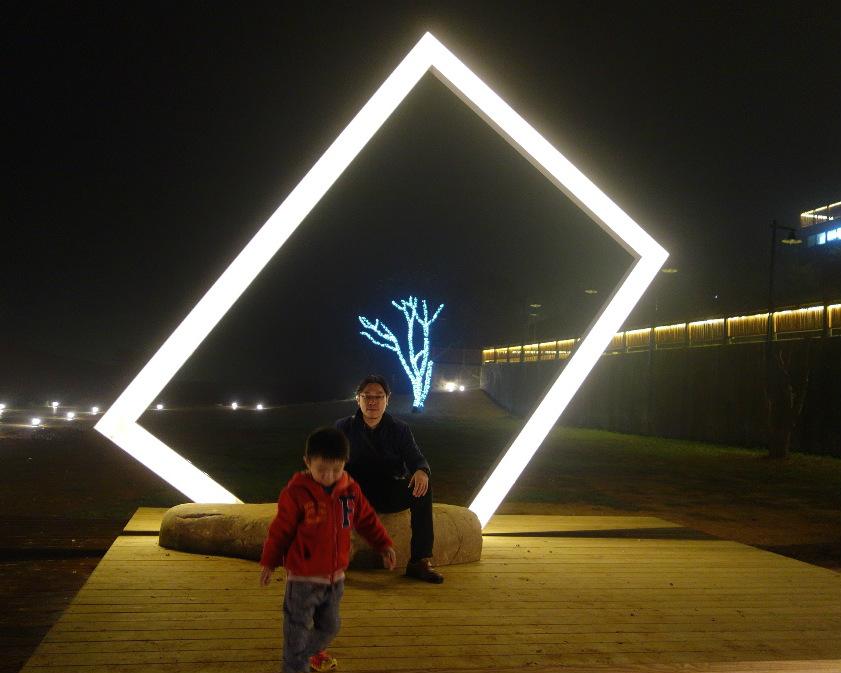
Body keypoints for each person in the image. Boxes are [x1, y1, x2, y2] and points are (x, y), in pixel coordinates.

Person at [259, 426, 396, 673]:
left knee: (330, 626)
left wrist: (383, 544)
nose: (329, 476)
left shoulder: (350, 491)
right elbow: (280, 531)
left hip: (335, 578)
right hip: (303, 578)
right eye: (321, 470)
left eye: (337, 469)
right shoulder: (296, 494)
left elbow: (366, 519)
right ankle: (295, 665)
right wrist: (269, 562)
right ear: (307, 462)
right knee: (297, 629)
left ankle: (301, 654)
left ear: (345, 463)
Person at [334, 374, 444, 584]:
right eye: (367, 396)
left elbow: (416, 458)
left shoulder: (399, 429)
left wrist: (422, 471)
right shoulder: (343, 427)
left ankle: (419, 561)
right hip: (352, 493)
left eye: (379, 396)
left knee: (422, 489)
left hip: (387, 490)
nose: (372, 401)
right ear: (358, 399)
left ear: (387, 400)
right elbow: (329, 459)